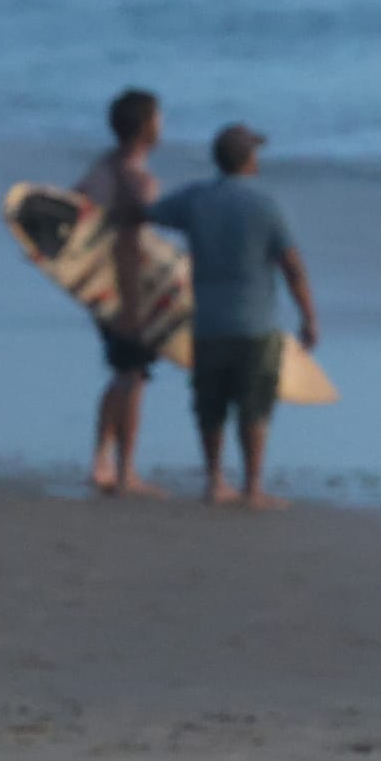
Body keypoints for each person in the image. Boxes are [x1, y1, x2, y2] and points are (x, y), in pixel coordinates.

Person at [148, 123, 320, 510]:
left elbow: (149, 213)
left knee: (210, 405)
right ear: (249, 160)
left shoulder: (195, 199)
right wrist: (309, 317)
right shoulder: (266, 204)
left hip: (208, 325)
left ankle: (214, 482)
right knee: (254, 405)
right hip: (255, 326)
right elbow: (292, 268)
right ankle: (253, 487)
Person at [75, 86, 165, 497]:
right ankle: (127, 472)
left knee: (120, 375)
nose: (162, 125)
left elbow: (72, 209)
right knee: (134, 378)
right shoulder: (137, 182)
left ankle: (101, 463)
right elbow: (130, 247)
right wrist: (133, 307)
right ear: (147, 127)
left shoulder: (102, 168)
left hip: (98, 289)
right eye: (159, 118)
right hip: (126, 292)